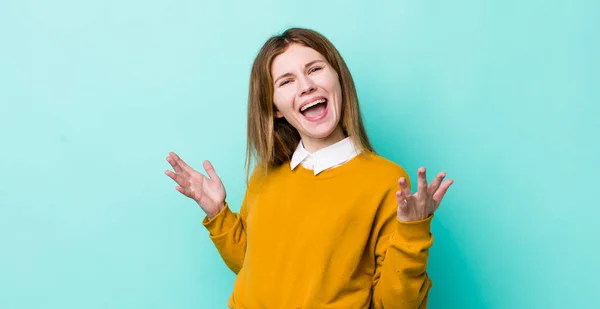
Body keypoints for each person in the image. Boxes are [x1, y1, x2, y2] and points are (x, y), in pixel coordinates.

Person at [164, 27, 453, 309]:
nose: (306, 86)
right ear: (275, 107)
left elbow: (395, 304)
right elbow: (252, 267)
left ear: (338, 79)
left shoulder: (386, 181)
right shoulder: (266, 174)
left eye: (314, 69)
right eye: (286, 81)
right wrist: (218, 214)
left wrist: (413, 233)